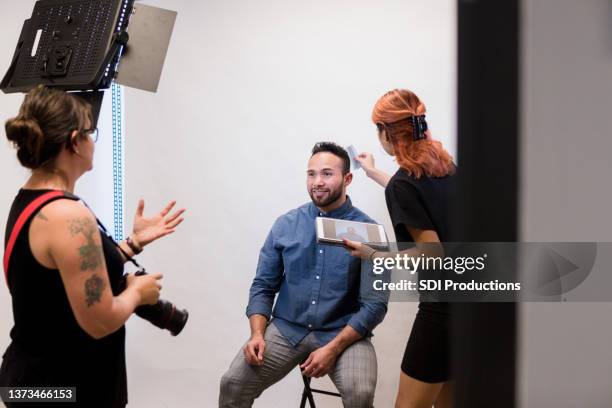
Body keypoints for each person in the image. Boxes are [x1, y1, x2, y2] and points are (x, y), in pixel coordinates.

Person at [0, 86, 185, 407]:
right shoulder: (67, 215)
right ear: (75, 141)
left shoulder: (32, 199)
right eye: (90, 132)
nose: (93, 142)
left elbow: (62, 275)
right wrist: (137, 293)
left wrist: (133, 244)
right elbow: (100, 321)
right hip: (64, 389)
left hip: (30, 384)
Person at [219, 142, 388, 408]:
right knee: (233, 384)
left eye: (327, 174)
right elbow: (263, 285)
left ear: (348, 179)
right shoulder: (286, 224)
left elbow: (375, 304)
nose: (317, 182)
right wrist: (257, 334)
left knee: (360, 393)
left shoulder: (369, 231)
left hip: (343, 332)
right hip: (287, 329)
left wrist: (332, 348)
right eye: (312, 174)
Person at [343, 89, 456, 408]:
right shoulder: (445, 167)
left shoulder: (404, 185)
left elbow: (433, 252)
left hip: (441, 311)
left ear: (386, 133)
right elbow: (417, 195)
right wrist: (373, 172)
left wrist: (375, 256)